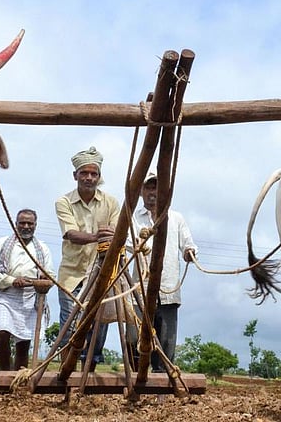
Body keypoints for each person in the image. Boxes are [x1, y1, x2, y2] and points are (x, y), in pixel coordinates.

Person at [55, 146, 120, 368]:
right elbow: (71, 234)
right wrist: (96, 237)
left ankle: (88, 377)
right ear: (75, 176)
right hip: (71, 275)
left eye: (93, 173)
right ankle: (65, 377)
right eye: (84, 173)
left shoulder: (111, 202)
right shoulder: (63, 202)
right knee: (69, 327)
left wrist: (108, 237)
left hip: (100, 273)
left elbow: (116, 234)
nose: (89, 178)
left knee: (96, 329)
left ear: (99, 177)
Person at [131, 172, 197, 373]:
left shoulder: (176, 218)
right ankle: (135, 385)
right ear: (142, 191)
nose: (153, 192)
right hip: (139, 290)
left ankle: (162, 393)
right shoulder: (133, 218)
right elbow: (126, 246)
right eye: (149, 187)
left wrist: (189, 252)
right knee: (135, 339)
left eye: (158, 188)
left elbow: (188, 244)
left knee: (166, 344)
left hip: (168, 289)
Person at [0, 208, 55, 371]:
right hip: (8, 295)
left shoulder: (42, 249)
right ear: (15, 224)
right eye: (22, 223)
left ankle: (18, 379)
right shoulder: (2, 244)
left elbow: (50, 274)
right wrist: (12, 280)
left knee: (24, 342)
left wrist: (42, 281)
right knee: (3, 333)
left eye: (29, 223)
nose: (26, 226)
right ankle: (5, 373)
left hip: (32, 298)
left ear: (35, 226)